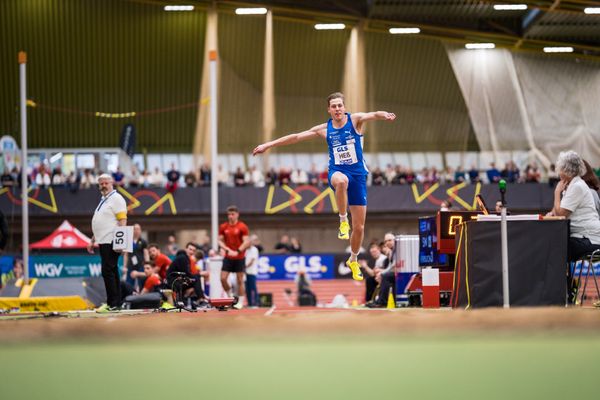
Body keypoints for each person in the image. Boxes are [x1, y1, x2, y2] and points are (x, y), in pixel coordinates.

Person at [253, 92, 396, 281]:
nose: (337, 109)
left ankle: (353, 260)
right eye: (334, 106)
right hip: (337, 171)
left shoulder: (355, 120)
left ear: (344, 107)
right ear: (329, 109)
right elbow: (296, 137)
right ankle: (342, 220)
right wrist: (268, 144)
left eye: (340, 105)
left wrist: (384, 114)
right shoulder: (324, 129)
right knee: (341, 181)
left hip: (358, 175)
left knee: (360, 228)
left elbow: (373, 114)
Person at [547, 151, 600, 262]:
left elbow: (560, 215)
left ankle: (563, 279)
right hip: (583, 237)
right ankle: (564, 279)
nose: (558, 172)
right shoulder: (573, 185)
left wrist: (557, 192)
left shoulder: (577, 186)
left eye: (560, 168)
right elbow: (557, 213)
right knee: (552, 244)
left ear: (566, 170)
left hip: (588, 239)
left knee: (552, 247)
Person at [87, 174, 127, 313]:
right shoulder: (104, 199)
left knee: (107, 271)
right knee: (112, 270)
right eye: (101, 183)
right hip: (103, 239)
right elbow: (101, 223)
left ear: (112, 183)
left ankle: (112, 303)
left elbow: (122, 220)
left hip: (111, 240)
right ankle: (116, 302)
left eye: (106, 183)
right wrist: (93, 240)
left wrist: (121, 242)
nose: (103, 185)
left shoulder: (116, 198)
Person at [218, 205, 250, 309]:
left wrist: (237, 251)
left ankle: (240, 302)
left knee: (240, 280)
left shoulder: (242, 227)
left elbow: (246, 241)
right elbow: (219, 240)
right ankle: (231, 297)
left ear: (237, 214)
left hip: (239, 257)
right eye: (229, 214)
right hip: (228, 257)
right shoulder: (223, 227)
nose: (230, 216)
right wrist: (227, 250)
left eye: (232, 214)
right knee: (223, 278)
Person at [122, 223, 149, 291]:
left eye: (138, 229)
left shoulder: (143, 242)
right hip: (130, 265)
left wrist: (148, 264)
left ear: (140, 231)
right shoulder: (128, 241)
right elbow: (126, 255)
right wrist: (125, 266)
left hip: (141, 265)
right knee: (129, 284)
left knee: (141, 283)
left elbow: (146, 254)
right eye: (135, 229)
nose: (136, 231)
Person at [245, 234, 260, 308]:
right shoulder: (245, 250)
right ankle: (250, 303)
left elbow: (251, 261)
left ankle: (256, 303)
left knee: (253, 288)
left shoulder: (254, 250)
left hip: (252, 272)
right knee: (247, 289)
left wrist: (243, 267)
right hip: (245, 272)